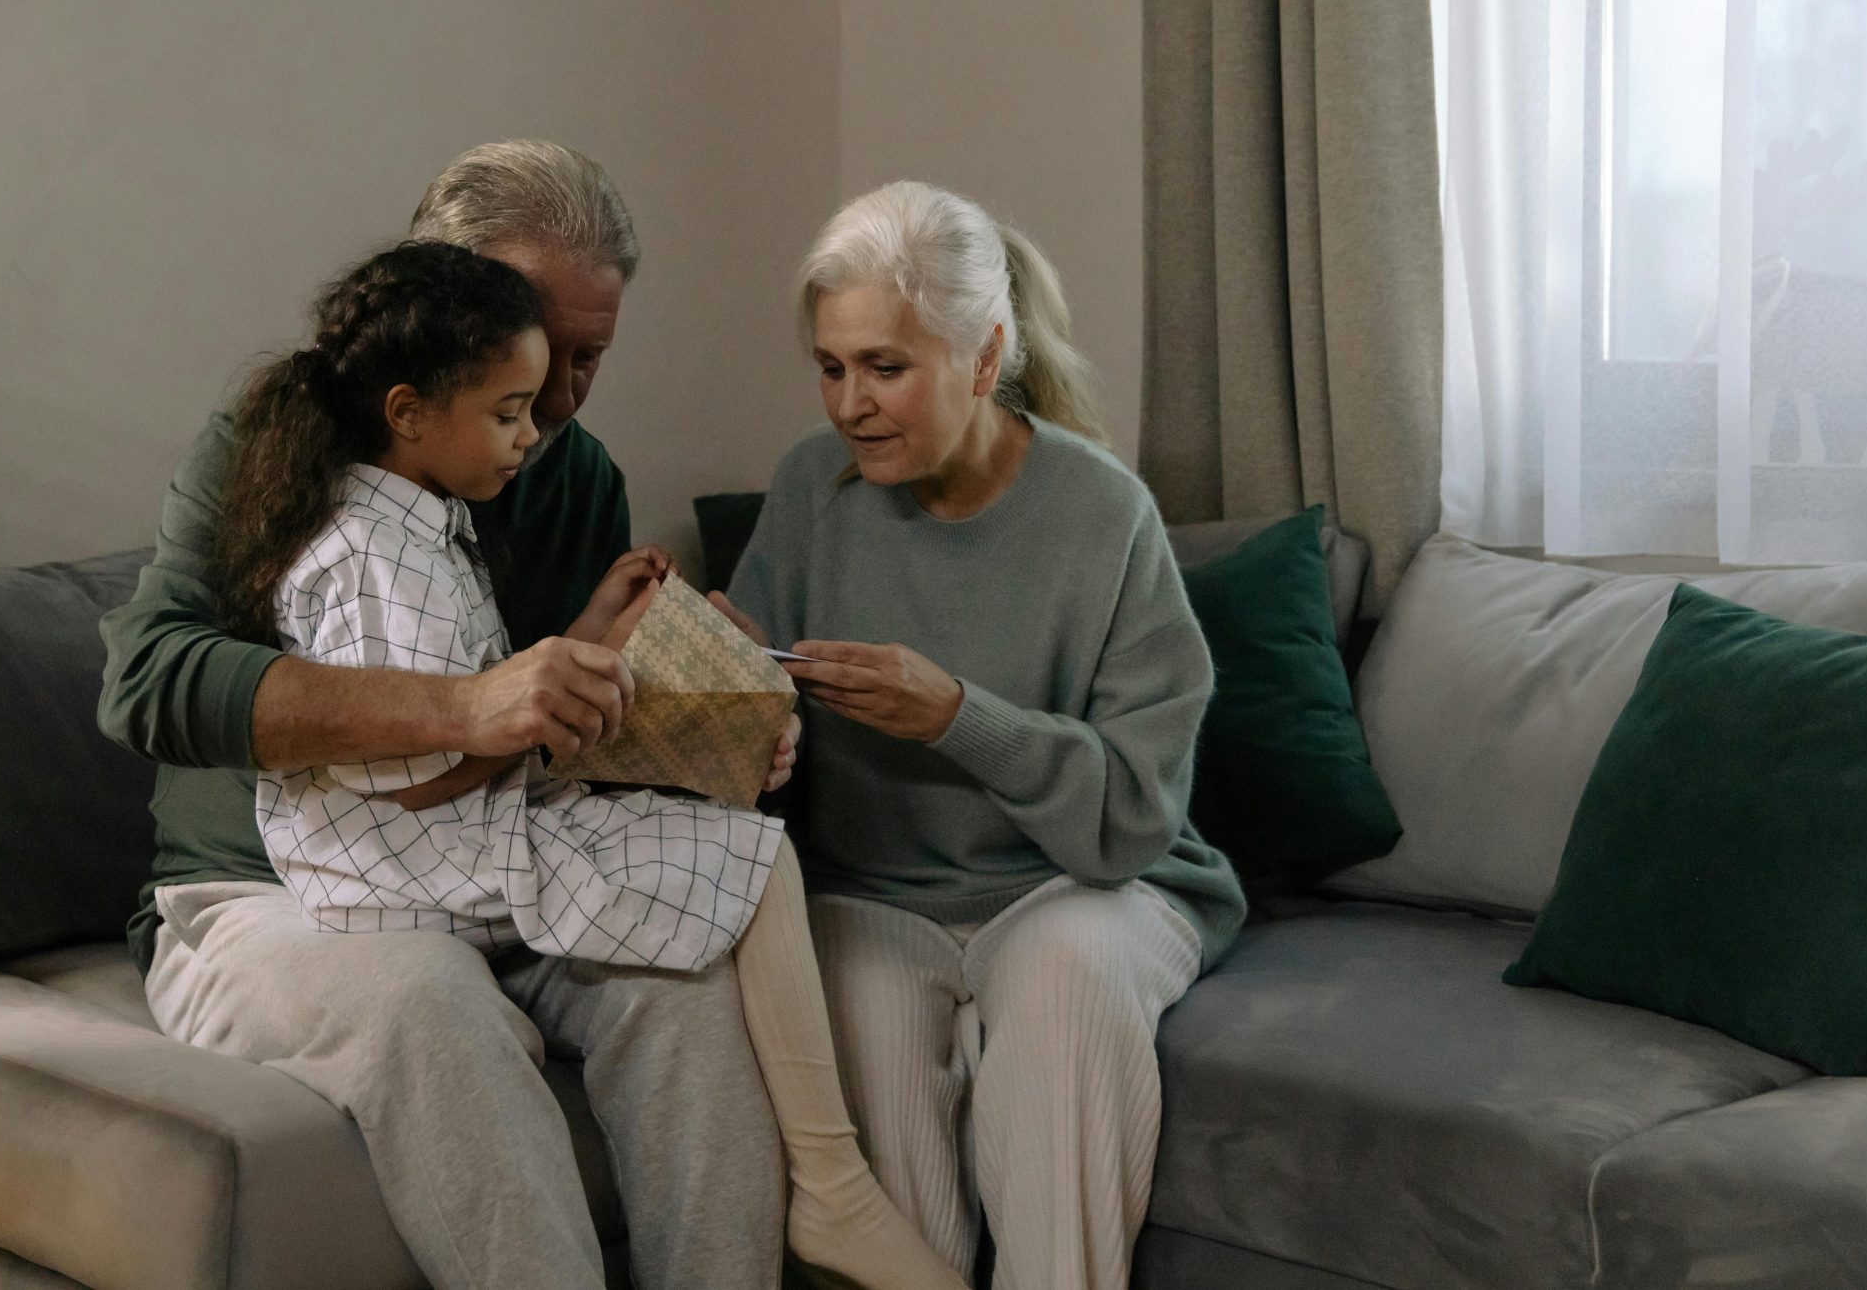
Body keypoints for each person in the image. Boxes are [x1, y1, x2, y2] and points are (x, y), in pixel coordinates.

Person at [99, 143, 780, 1290]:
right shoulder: (268, 444)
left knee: (690, 985)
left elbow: (573, 739)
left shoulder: (571, 477)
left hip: (495, 874)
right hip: (270, 897)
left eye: (589, 359)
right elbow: (150, 683)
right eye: (535, 356)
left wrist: (716, 713)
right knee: (426, 1001)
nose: (559, 398)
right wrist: (467, 704)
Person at [225, 239, 967, 1290]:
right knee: (749, 858)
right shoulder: (371, 559)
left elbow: (470, 694)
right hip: (409, 862)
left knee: (731, 866)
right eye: (508, 411)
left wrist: (590, 632)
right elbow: (406, 771)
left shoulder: (413, 528)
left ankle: (826, 1189)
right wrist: (561, 716)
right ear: (405, 412)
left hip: (440, 834)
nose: (534, 434)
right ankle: (833, 1185)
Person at [716, 181, 1248, 1290]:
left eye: (885, 368)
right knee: (859, 1054)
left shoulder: (1103, 514)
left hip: (1081, 888)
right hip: (869, 895)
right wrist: (714, 672)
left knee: (1064, 982)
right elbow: (758, 741)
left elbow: (1133, 815)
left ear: (984, 350)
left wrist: (959, 717)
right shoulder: (810, 489)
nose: (850, 404)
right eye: (831, 366)